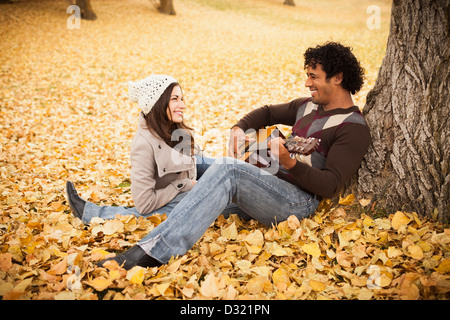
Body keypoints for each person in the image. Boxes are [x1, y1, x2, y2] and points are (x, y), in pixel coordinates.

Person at [76, 42, 371, 270]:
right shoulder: (306, 106)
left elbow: (331, 185)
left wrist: (289, 162)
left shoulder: (352, 128)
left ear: (338, 78)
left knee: (228, 171)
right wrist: (238, 128)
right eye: (307, 75)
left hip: (297, 203)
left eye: (313, 77)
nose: (307, 83)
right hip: (265, 182)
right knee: (196, 190)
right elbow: (267, 112)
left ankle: (152, 252)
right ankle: (97, 214)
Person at [66, 75, 245, 226]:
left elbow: (199, 162)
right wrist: (184, 185)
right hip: (174, 196)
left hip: (189, 185)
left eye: (182, 99)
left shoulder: (177, 130)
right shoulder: (143, 144)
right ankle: (91, 213)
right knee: (177, 210)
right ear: (157, 102)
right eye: (175, 99)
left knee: (223, 167)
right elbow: (144, 204)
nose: (182, 105)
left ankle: (250, 172)